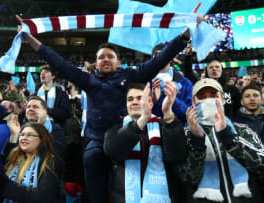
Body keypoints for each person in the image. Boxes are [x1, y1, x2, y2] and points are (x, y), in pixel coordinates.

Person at [16, 14, 198, 203]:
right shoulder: (88, 80)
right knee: (91, 158)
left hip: (129, 136)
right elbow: (58, 63)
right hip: (98, 140)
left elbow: (159, 60)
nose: (105, 59)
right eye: (101, 57)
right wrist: (29, 38)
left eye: (110, 57)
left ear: (119, 63)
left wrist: (183, 37)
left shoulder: (131, 75)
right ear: (96, 63)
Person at [177, 78, 264, 203]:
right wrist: (197, 140)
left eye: (213, 95)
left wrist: (229, 137)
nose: (208, 100)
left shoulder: (242, 130)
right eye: (202, 97)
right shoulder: (186, 134)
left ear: (223, 100)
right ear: (193, 103)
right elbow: (188, 179)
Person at [104, 82, 187, 202]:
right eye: (130, 99)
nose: (135, 102)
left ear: (150, 102)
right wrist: (142, 120)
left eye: (140, 98)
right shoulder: (116, 128)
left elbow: (176, 156)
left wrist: (168, 113)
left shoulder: (165, 126)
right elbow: (114, 152)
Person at [0, 122, 65, 202]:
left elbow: (43, 197)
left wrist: (5, 186)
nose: (24, 138)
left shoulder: (50, 161)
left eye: (30, 135)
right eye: (22, 134)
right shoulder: (14, 159)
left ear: (42, 139)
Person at [181, 51, 241, 119]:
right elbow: (188, 72)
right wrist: (188, 55)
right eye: (211, 67)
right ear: (207, 71)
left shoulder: (232, 90)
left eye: (217, 67)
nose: (214, 69)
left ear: (222, 71)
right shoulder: (201, 87)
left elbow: (237, 108)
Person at [151, 43, 193, 125]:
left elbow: (190, 115)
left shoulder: (185, 83)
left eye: (164, 54)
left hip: (178, 133)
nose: (160, 57)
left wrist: (174, 101)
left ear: (170, 58)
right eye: (156, 54)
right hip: (152, 133)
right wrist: (156, 101)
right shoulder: (145, 83)